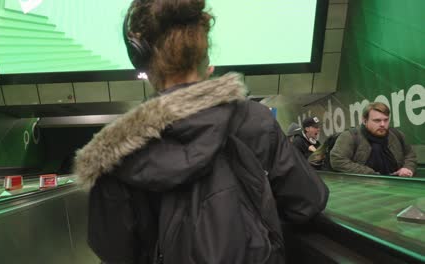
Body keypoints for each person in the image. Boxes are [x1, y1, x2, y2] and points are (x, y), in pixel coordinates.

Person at [74, 0, 328, 263]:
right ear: (205, 59)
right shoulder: (254, 120)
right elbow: (307, 202)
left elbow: (113, 251)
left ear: (145, 66)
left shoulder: (115, 153)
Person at [330, 102, 417, 176]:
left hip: (397, 185)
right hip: (362, 188)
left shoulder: (397, 135)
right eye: (377, 120)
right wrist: (370, 174)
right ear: (364, 121)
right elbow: (338, 160)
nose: (382, 124)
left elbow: (409, 155)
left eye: (386, 120)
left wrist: (407, 168)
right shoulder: (350, 136)